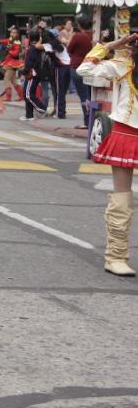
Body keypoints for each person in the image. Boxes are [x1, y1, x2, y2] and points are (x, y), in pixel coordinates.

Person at [76, 32, 138, 277]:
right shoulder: (122, 65)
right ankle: (116, 255)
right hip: (127, 133)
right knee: (123, 195)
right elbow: (83, 71)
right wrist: (107, 47)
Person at [67, 17, 94, 128]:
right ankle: (91, 119)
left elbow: (69, 49)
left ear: (80, 25)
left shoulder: (78, 36)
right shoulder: (93, 35)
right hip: (91, 66)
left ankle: (87, 121)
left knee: (83, 96)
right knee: (90, 94)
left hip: (77, 66)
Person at [20, 28, 51, 121]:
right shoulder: (38, 47)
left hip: (32, 74)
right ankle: (29, 115)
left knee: (28, 94)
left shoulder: (32, 48)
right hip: (36, 73)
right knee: (27, 93)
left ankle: (42, 109)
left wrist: (23, 72)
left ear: (29, 37)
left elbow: (29, 63)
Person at [0, 26, 26, 102]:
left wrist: (8, 50)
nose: (12, 34)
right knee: (13, 81)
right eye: (11, 32)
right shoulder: (10, 40)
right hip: (9, 61)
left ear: (17, 34)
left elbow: (16, 54)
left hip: (13, 62)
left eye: (14, 33)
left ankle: (8, 97)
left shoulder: (17, 42)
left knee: (6, 79)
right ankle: (21, 96)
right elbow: (4, 41)